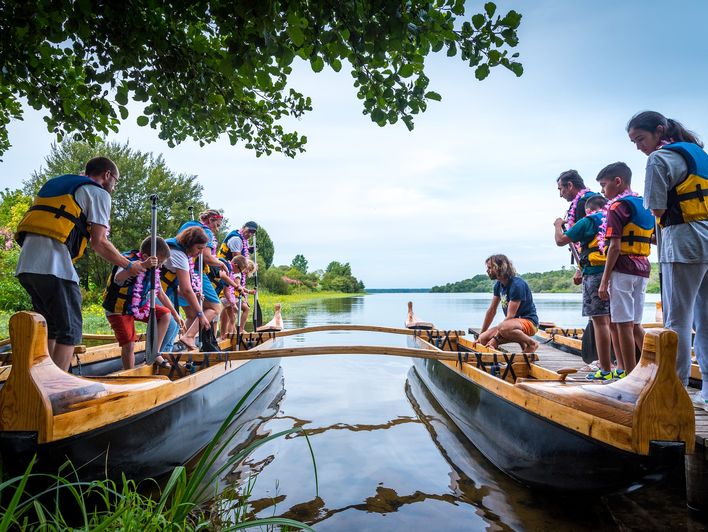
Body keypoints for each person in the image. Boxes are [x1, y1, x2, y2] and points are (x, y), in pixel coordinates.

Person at [14, 157, 145, 371]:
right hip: (55, 267)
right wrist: (129, 265)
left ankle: (42, 380)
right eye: (116, 181)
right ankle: (56, 390)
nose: (115, 186)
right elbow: (100, 242)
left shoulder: (56, 184)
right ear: (107, 175)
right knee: (70, 330)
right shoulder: (99, 192)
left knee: (52, 328)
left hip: (27, 267)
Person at [626, 111, 708, 400]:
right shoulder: (699, 154)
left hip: (684, 243)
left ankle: (674, 391)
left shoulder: (659, 159)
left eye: (641, 138)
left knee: (677, 320)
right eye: (634, 142)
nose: (638, 146)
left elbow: (656, 209)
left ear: (659, 131)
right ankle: (707, 390)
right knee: (706, 318)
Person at [596, 162, 654, 377]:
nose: (603, 191)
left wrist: (604, 281)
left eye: (604, 185)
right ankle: (654, 368)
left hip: (623, 268)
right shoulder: (643, 204)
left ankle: (630, 376)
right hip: (643, 268)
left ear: (617, 181)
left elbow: (615, 246)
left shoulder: (616, 207)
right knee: (636, 324)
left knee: (622, 325)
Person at [554, 194, 613, 379]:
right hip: (615, 273)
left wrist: (557, 225)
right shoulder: (613, 218)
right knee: (613, 321)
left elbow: (561, 240)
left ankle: (605, 369)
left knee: (599, 321)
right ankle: (617, 366)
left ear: (588, 210)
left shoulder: (589, 220)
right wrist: (579, 269)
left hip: (595, 274)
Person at [103, 236, 185, 369]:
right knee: (129, 344)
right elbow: (118, 277)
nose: (160, 266)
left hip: (139, 307)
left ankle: (154, 353)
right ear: (147, 256)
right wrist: (143, 265)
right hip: (118, 308)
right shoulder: (128, 261)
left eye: (162, 263)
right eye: (159, 262)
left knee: (166, 314)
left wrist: (176, 314)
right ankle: (129, 374)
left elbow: (160, 293)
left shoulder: (155, 270)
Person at [176, 210, 227, 346]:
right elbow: (206, 257)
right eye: (217, 225)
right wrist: (221, 263)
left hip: (180, 271)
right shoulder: (206, 233)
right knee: (215, 307)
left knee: (191, 315)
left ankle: (182, 343)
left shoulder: (188, 226)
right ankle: (189, 336)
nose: (217, 228)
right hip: (196, 272)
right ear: (210, 220)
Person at [160, 226, 212, 350]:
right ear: (189, 243)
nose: (200, 253)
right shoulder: (178, 254)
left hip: (164, 292)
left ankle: (165, 354)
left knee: (174, 324)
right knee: (172, 324)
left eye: (202, 249)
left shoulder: (182, 253)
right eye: (199, 248)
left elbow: (178, 288)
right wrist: (201, 315)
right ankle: (159, 356)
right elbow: (186, 290)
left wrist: (194, 294)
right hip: (152, 292)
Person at [478, 254, 539, 353]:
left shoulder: (517, 285)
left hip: (530, 323)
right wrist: (480, 335)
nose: (487, 270)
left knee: (503, 327)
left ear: (499, 268)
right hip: (512, 324)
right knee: (483, 339)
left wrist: (495, 339)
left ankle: (531, 343)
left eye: (489, 267)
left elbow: (510, 316)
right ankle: (497, 363)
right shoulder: (498, 285)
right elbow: (492, 310)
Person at [557, 170, 596, 285]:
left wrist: (579, 269)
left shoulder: (582, 203)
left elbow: (583, 238)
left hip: (592, 264)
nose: (560, 195)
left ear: (569, 185)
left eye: (560, 189)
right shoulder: (593, 200)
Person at [215, 255, 248, 340]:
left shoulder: (229, 272)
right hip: (206, 287)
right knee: (228, 317)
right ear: (236, 265)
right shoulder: (226, 266)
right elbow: (223, 276)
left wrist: (233, 304)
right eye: (240, 270)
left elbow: (226, 291)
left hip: (220, 294)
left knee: (231, 318)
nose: (239, 273)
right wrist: (237, 287)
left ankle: (226, 335)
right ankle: (225, 335)